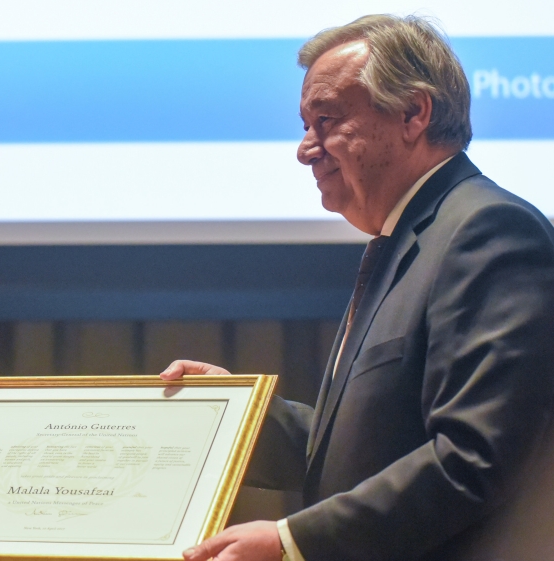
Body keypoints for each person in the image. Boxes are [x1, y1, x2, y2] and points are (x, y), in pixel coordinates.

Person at [161, 15, 554, 561]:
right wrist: (235, 414)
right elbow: (368, 451)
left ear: (414, 113)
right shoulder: (411, 238)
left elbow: (474, 458)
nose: (305, 148)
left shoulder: (488, 233)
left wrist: (290, 539)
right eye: (305, 124)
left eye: (326, 120)